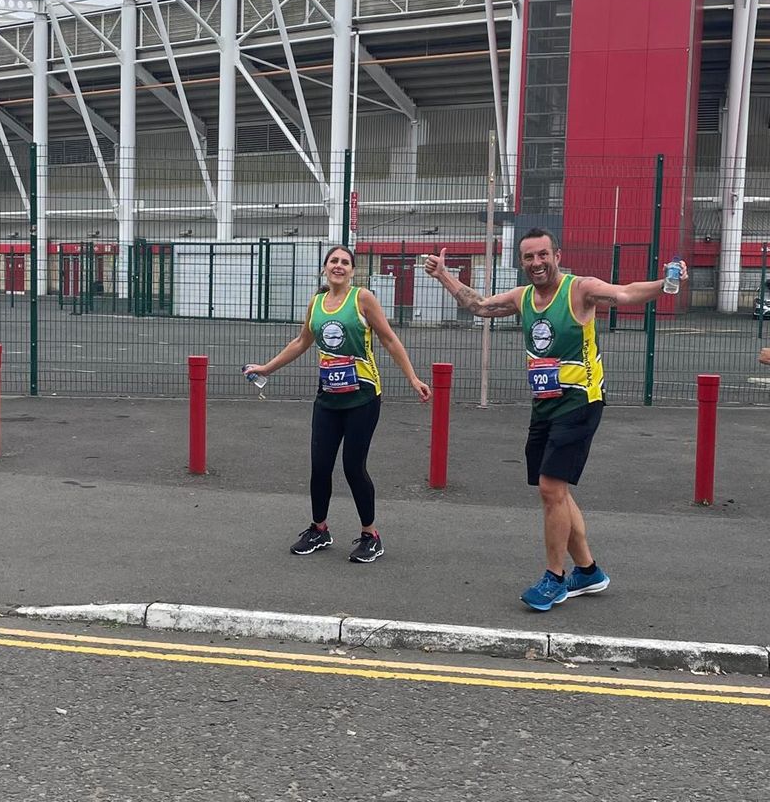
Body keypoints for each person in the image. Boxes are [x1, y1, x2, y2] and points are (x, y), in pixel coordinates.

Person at [423, 229, 687, 612]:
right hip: (545, 403)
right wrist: (443, 274)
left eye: (542, 255)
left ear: (557, 255)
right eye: (528, 257)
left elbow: (626, 293)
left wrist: (666, 283)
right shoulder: (523, 297)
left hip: (581, 401)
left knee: (550, 488)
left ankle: (555, 578)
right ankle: (589, 571)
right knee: (556, 491)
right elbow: (479, 305)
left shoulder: (581, 289)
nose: (536, 263)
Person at [245, 244, 431, 564]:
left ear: (353, 271)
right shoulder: (316, 303)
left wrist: (412, 378)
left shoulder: (363, 299)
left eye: (345, 262)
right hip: (328, 398)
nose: (339, 266)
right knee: (320, 465)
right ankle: (319, 529)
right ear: (325, 268)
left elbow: (388, 338)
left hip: (363, 397)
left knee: (353, 467)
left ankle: (370, 535)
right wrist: (266, 367)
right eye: (334, 261)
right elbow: (302, 341)